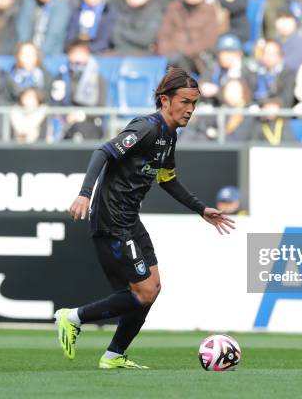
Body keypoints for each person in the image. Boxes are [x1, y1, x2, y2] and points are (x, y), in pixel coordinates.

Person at [54, 67, 235, 369]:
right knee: (143, 292)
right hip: (112, 219)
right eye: (185, 102)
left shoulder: (169, 136)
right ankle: (71, 317)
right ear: (165, 100)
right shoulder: (147, 128)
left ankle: (113, 356)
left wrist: (201, 209)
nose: (190, 110)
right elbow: (103, 152)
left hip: (129, 220)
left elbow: (167, 180)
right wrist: (85, 193)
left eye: (194, 104)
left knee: (153, 288)